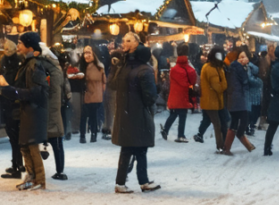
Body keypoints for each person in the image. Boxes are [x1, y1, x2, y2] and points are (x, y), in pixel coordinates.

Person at [0, 32, 50, 191]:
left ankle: (40, 179)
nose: (17, 46)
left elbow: (35, 92)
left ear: (29, 46)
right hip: (26, 110)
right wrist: (7, 89)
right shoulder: (27, 63)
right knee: (24, 145)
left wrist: (9, 90)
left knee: (31, 145)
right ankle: (31, 177)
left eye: (20, 43)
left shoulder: (34, 64)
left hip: (33, 111)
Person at [111, 32, 160, 193]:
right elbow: (150, 96)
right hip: (138, 113)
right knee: (137, 148)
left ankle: (139, 181)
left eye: (129, 40)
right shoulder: (143, 69)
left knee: (134, 148)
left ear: (136, 44)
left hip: (125, 112)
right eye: (124, 40)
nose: (125, 43)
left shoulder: (124, 66)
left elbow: (113, 85)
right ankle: (125, 182)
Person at [39, 44, 71, 181]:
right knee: (57, 141)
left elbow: (49, 92)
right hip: (57, 108)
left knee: (55, 140)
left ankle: (59, 170)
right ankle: (60, 170)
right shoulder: (57, 69)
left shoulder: (47, 70)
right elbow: (64, 87)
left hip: (49, 110)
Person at [193, 46, 229, 151]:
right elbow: (219, 87)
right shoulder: (212, 69)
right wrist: (225, 82)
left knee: (216, 121)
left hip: (212, 101)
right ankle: (221, 146)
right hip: (212, 101)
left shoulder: (210, 67)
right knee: (218, 124)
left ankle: (221, 144)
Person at [0, 40, 24, 179]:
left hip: (13, 102)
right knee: (14, 135)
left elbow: (12, 81)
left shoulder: (17, 61)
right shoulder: (7, 60)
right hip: (9, 101)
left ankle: (17, 166)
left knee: (15, 136)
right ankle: (17, 164)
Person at [225, 49, 257, 154]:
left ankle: (227, 148)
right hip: (240, 98)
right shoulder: (239, 68)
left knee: (234, 122)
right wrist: (247, 68)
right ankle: (246, 143)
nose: (242, 59)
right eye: (240, 57)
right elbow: (246, 81)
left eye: (244, 56)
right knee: (243, 122)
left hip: (234, 98)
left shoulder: (233, 67)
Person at [163, 43, 196, 142]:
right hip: (183, 96)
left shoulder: (173, 70)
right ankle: (180, 134)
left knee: (174, 114)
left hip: (174, 96)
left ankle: (165, 130)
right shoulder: (189, 69)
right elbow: (192, 81)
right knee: (182, 115)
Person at [79, 46, 106, 143]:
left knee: (91, 115)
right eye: (85, 52)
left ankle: (92, 135)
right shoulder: (81, 65)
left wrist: (83, 77)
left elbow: (100, 79)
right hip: (85, 94)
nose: (87, 55)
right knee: (84, 116)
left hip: (94, 94)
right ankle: (84, 136)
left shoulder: (98, 66)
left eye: (89, 52)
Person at [66, 50, 85, 144]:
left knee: (76, 110)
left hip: (77, 89)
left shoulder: (81, 66)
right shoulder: (67, 67)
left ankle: (74, 127)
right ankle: (72, 128)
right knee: (72, 110)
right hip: (72, 89)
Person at [246, 52, 264, 136]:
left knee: (252, 112)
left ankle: (250, 126)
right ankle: (251, 126)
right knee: (254, 112)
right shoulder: (259, 80)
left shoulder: (250, 67)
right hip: (255, 96)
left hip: (252, 96)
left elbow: (249, 78)